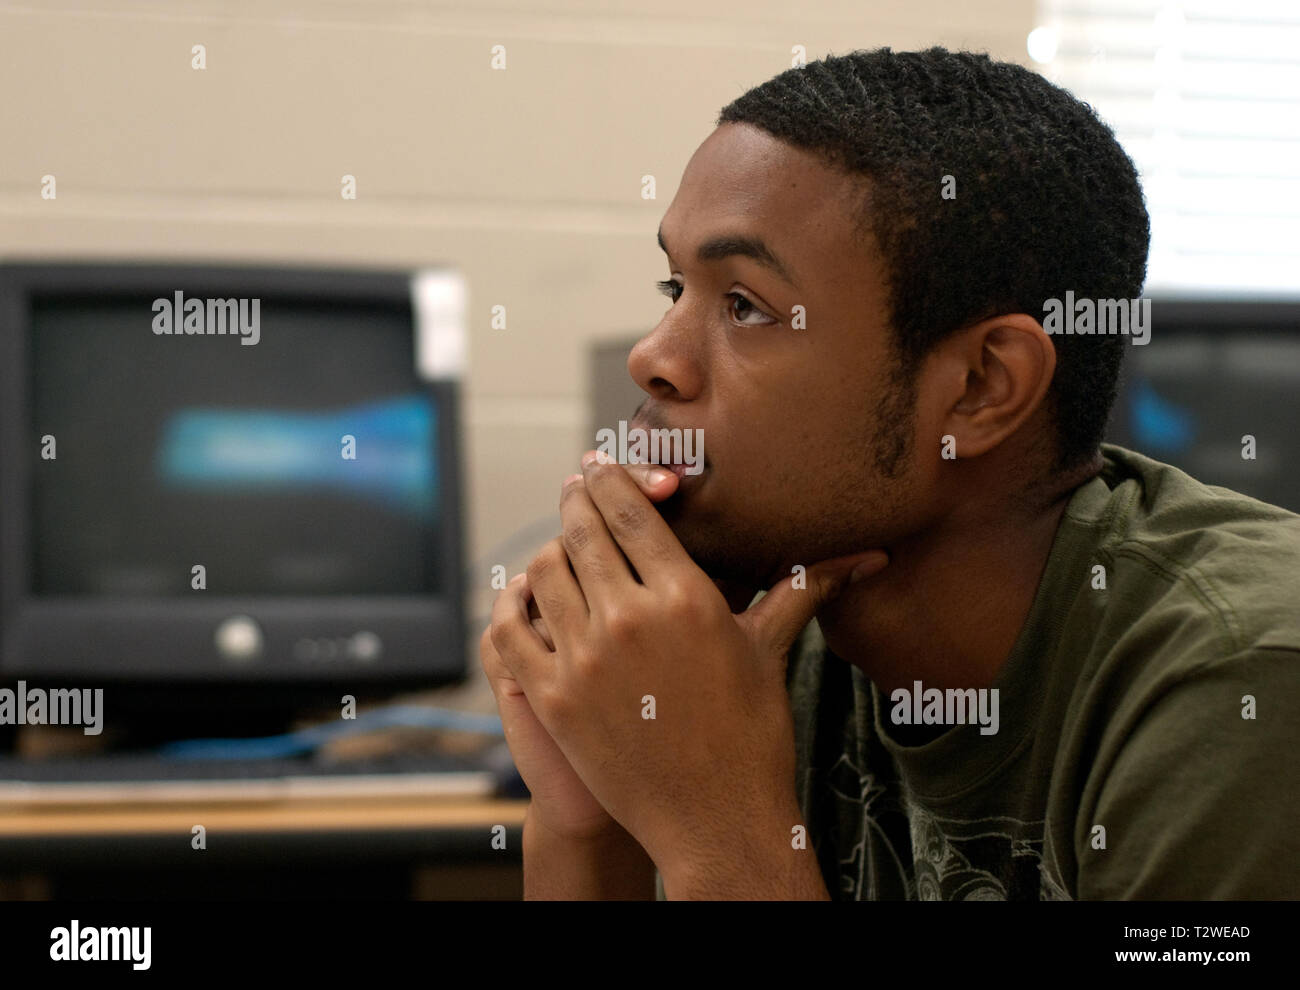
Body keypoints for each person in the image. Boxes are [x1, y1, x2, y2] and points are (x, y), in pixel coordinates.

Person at [481, 47, 1300, 900]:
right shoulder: (750, 642)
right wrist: (588, 816)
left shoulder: (1245, 680)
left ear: (981, 387)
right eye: (674, 287)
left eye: (745, 306)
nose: (653, 356)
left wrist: (715, 826)